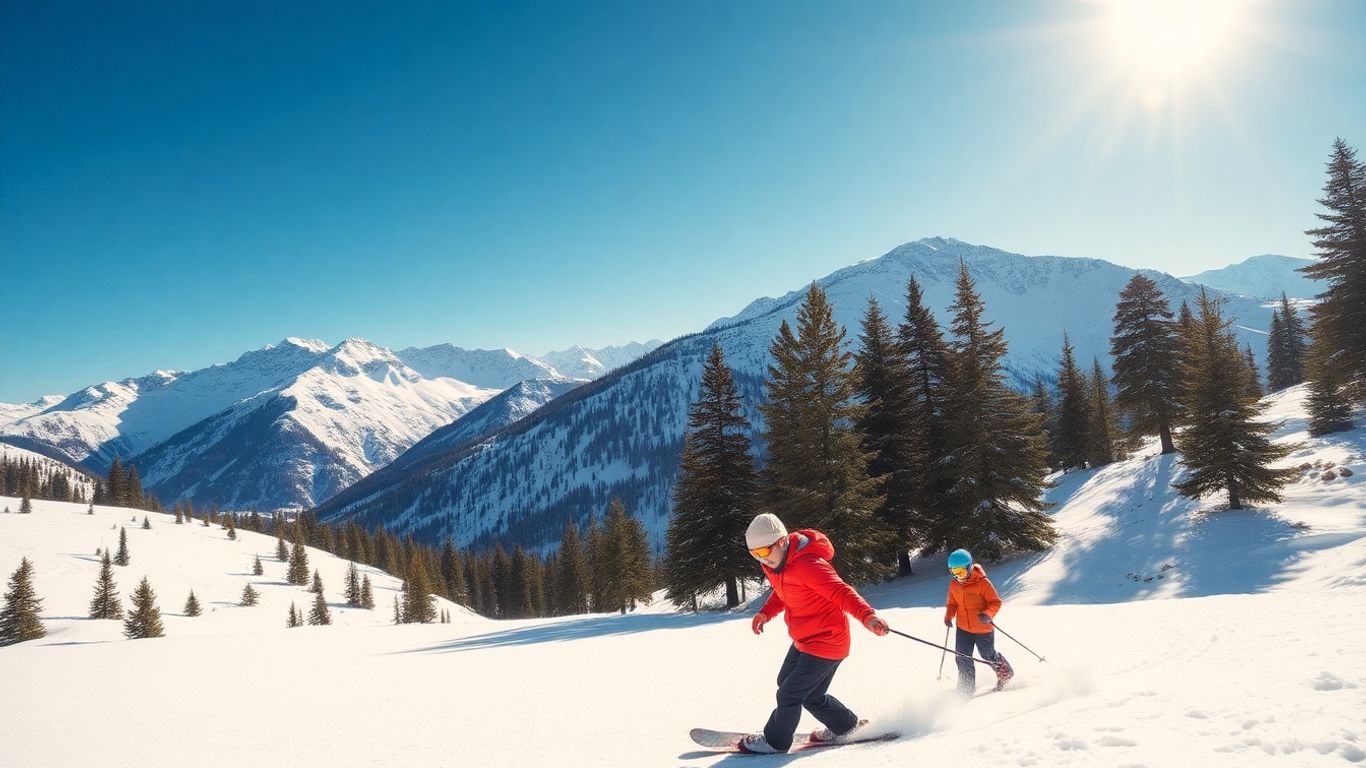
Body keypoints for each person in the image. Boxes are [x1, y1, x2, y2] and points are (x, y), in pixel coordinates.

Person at [741, 513, 890, 754]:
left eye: (764, 552)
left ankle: (775, 741)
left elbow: (842, 592)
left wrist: (868, 616)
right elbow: (783, 591)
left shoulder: (809, 565)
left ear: (781, 542)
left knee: (789, 693)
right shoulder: (775, 562)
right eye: (754, 554)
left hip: (828, 641)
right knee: (803, 692)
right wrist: (765, 613)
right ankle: (847, 727)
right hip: (804, 639)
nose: (761, 560)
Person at [943, 548, 1013, 695]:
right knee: (962, 657)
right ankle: (966, 689)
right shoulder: (954, 584)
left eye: (961, 572)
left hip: (982, 628)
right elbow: (952, 603)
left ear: (969, 567)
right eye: (954, 572)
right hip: (963, 628)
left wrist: (988, 614)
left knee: (987, 654)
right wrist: (949, 616)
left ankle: (1005, 673)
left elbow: (995, 602)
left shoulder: (982, 583)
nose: (958, 576)